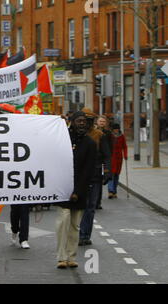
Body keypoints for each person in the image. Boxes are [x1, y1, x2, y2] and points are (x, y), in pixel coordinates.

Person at [56, 111, 96, 269]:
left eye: (84, 121)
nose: (82, 124)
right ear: (71, 122)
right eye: (79, 121)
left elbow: (88, 170)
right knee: (62, 222)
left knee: (74, 225)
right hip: (62, 189)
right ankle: (61, 257)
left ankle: (71, 256)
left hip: (79, 191)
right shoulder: (62, 139)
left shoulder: (90, 144)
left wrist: (77, 192)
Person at [78, 109, 111, 246]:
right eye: (84, 120)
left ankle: (84, 235)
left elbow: (106, 154)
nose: (86, 123)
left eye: (89, 121)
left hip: (94, 175)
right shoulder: (75, 134)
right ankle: (76, 232)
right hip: (78, 175)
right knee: (78, 206)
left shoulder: (99, 135)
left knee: (90, 206)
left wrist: (107, 171)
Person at [95, 115, 113, 210]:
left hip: (104, 159)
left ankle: (98, 201)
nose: (102, 123)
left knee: (99, 181)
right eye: (100, 121)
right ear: (97, 122)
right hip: (96, 159)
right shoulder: (93, 132)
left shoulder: (108, 133)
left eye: (103, 121)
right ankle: (94, 200)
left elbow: (110, 146)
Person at [108, 123, 128, 199]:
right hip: (111, 157)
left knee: (116, 175)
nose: (116, 130)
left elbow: (125, 147)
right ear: (112, 129)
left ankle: (114, 191)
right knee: (111, 175)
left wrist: (125, 155)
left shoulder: (122, 136)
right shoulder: (110, 136)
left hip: (119, 158)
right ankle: (110, 191)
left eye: (117, 129)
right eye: (114, 129)